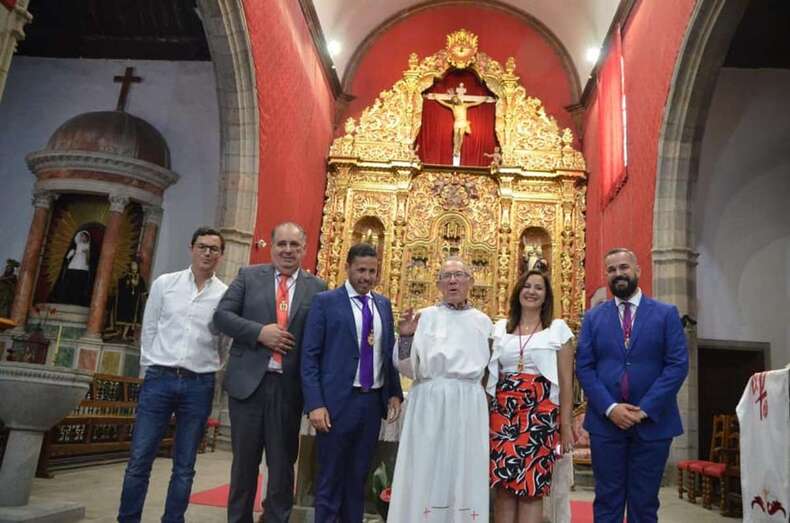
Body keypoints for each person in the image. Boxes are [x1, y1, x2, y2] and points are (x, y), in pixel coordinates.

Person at [213, 222, 326, 523]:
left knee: (281, 466)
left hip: (288, 390)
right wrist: (259, 332)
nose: (287, 250)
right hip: (249, 385)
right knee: (244, 466)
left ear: (304, 249)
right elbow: (222, 316)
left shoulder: (317, 288)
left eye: (294, 245)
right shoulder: (248, 276)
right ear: (272, 246)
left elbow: (319, 340)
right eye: (282, 244)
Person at [117, 227, 228, 523]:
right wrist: (150, 366)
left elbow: (224, 341)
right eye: (202, 246)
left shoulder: (224, 295)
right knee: (140, 459)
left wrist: (211, 364)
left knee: (185, 465)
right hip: (160, 378)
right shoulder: (165, 284)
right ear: (191, 248)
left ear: (220, 255)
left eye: (214, 249)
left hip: (199, 383)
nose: (207, 253)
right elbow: (149, 327)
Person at [575, 248, 689, 523]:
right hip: (606, 424)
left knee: (645, 502)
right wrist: (611, 408)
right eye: (612, 270)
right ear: (607, 276)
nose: (618, 274)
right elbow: (584, 367)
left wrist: (645, 408)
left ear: (638, 270)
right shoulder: (593, 317)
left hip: (654, 423)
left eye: (624, 267)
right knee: (607, 500)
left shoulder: (665, 314)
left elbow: (677, 365)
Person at [301, 243, 403, 523]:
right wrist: (316, 404)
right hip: (335, 404)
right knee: (330, 477)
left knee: (358, 477)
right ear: (348, 268)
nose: (366, 277)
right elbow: (309, 357)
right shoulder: (326, 302)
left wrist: (394, 391)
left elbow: (386, 350)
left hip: (371, 403)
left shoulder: (382, 304)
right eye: (361, 270)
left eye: (372, 271)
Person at [388, 257, 492, 523]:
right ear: (438, 283)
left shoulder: (484, 322)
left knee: (464, 467)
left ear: (471, 280)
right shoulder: (424, 317)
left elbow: (492, 371)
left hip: (469, 403)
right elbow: (406, 367)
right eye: (447, 276)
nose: (453, 281)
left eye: (459, 275)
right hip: (429, 401)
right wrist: (407, 337)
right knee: (424, 465)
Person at [487, 269, 575, 523]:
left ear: (546, 296)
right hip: (503, 414)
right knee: (503, 486)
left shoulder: (557, 329)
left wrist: (565, 424)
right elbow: (489, 376)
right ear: (518, 291)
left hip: (540, 415)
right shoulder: (501, 328)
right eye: (527, 286)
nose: (532, 291)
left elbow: (566, 382)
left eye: (538, 287)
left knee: (531, 489)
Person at [50, 229, 94, 306]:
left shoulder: (88, 247)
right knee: (69, 284)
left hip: (82, 269)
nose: (83, 238)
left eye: (84, 237)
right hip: (73, 267)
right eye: (81, 236)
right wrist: (70, 255)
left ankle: (76, 301)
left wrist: (86, 254)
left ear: (87, 238)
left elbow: (87, 261)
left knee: (79, 286)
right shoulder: (75, 247)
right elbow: (67, 258)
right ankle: (65, 300)